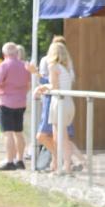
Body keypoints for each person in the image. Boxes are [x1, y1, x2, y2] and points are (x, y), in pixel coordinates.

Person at [35, 41, 77, 174]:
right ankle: (66, 167)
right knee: (63, 137)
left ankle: (64, 167)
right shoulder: (68, 68)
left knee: (59, 137)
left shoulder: (53, 66)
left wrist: (42, 87)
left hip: (59, 103)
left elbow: (54, 87)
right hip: (68, 102)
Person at [0, 42, 30, 171]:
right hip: (21, 102)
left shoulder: (3, 66)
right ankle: (20, 159)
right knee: (18, 132)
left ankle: (9, 160)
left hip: (6, 101)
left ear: (4, 54)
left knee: (8, 133)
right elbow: (29, 84)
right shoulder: (25, 65)